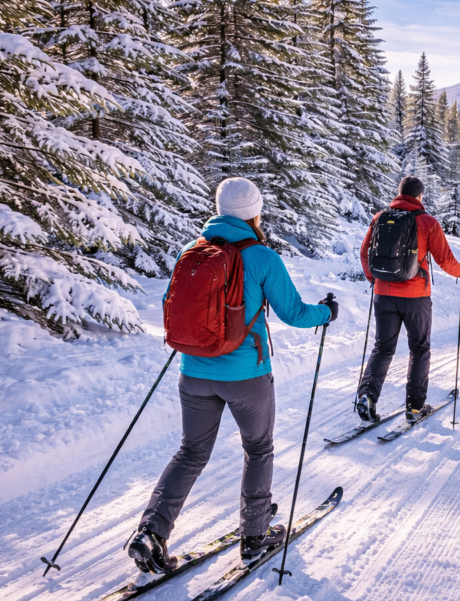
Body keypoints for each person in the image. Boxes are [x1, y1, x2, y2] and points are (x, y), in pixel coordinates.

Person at [128, 177, 338, 574]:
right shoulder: (262, 257)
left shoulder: (192, 251)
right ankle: (255, 534)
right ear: (255, 213)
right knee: (258, 448)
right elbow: (294, 313)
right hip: (246, 375)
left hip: (193, 372)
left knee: (191, 452)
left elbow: (171, 307)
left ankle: (151, 531)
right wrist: (327, 312)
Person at [356, 176, 460, 424]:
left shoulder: (379, 218)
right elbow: (445, 260)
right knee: (419, 349)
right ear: (419, 197)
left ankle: (366, 396)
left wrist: (373, 279)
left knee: (382, 348)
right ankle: (415, 407)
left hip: (383, 294)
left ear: (399, 194)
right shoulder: (427, 222)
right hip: (416, 297)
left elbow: (365, 253)